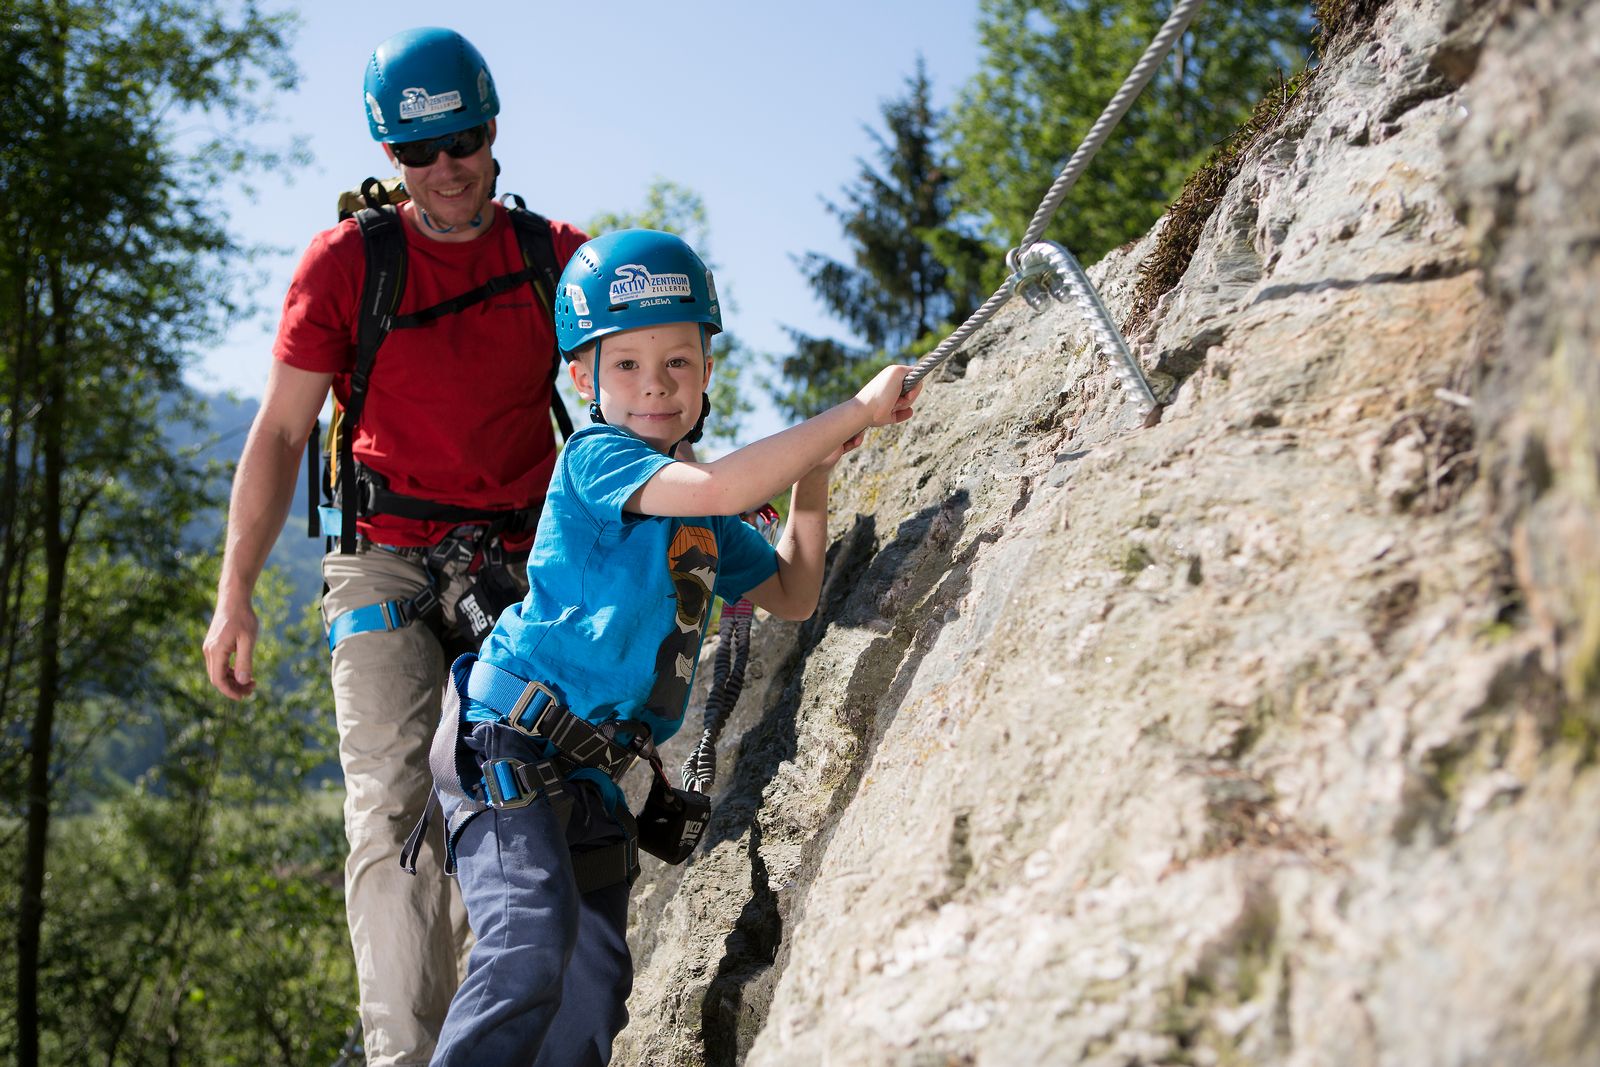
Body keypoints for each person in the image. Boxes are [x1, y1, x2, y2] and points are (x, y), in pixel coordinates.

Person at [419, 228, 921, 1064]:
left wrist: (815, 474)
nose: (655, 385)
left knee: (592, 989)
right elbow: (723, 482)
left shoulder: (709, 525)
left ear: (708, 370)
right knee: (526, 946)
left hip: (590, 772)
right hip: (506, 742)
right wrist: (857, 410)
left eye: (679, 362)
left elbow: (794, 593)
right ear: (583, 379)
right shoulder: (595, 459)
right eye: (626, 365)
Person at [201, 27, 588, 1065]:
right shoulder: (347, 265)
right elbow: (281, 432)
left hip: (519, 559)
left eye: (461, 139)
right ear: (390, 157)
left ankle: (492, 1038)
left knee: (509, 794)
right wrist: (233, 592)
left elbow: (637, 409)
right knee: (392, 808)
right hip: (379, 557)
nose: (447, 169)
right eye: (420, 153)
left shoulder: (555, 260)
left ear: (492, 127)